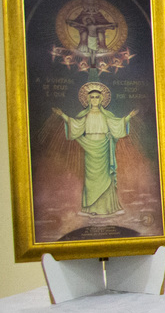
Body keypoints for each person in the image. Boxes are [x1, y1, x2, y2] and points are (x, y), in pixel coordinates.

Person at [52, 84, 138, 216]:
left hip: (104, 148)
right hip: (90, 149)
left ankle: (109, 208)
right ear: (88, 99)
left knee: (106, 178)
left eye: (97, 97)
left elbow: (117, 124)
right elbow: (74, 124)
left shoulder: (106, 115)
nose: (94, 100)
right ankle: (89, 209)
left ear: (101, 99)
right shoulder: (84, 115)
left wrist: (129, 117)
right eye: (92, 97)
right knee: (91, 179)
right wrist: (62, 114)